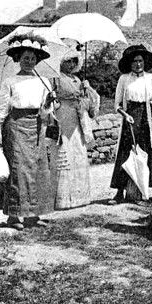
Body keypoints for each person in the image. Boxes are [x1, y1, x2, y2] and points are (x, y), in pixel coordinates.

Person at [0, 34, 57, 230]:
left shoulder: (44, 81)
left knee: (37, 169)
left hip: (37, 126)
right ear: (18, 59)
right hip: (16, 126)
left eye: (33, 58)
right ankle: (14, 215)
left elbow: (46, 111)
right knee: (18, 170)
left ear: (38, 60)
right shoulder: (10, 81)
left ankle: (33, 216)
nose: (29, 61)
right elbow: (2, 108)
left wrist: (49, 103)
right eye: (26, 58)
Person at [108, 44, 152, 205]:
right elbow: (117, 104)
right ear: (130, 63)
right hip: (130, 116)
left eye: (141, 61)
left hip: (147, 117)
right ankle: (119, 191)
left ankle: (144, 191)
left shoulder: (151, 78)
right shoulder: (124, 79)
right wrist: (126, 115)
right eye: (135, 61)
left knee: (147, 151)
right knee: (126, 152)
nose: (138, 64)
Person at [51, 50, 100, 209]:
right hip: (63, 116)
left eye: (74, 61)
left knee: (78, 154)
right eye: (68, 61)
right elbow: (50, 99)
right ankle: (62, 199)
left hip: (78, 118)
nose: (71, 65)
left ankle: (80, 197)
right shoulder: (56, 78)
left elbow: (89, 102)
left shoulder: (78, 79)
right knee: (64, 153)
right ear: (61, 61)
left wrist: (87, 88)